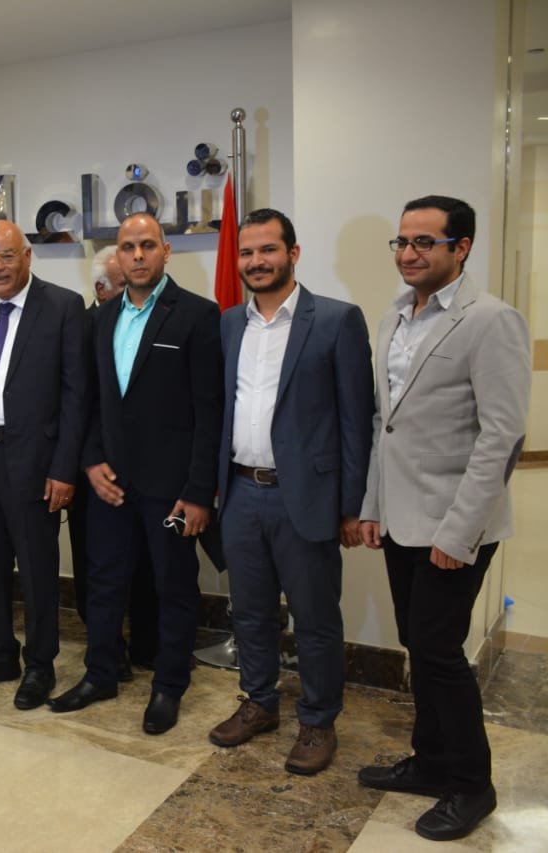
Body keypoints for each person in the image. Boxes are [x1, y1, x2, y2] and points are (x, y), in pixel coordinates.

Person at [357, 195, 530, 842]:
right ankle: (430, 761)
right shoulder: (394, 316)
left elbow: (502, 436)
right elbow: (386, 423)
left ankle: (471, 783)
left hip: (456, 524)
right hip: (401, 517)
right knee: (419, 644)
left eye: (424, 242)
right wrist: (372, 506)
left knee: (438, 650)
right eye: (402, 241)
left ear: (461, 248)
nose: (408, 253)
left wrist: (459, 533)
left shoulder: (491, 320)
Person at [206, 209, 373, 774]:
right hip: (240, 493)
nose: (256, 261)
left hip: (304, 498)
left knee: (315, 620)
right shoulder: (231, 323)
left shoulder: (336, 320)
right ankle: (259, 702)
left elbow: (356, 422)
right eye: (247, 252)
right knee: (250, 613)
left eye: (268, 250)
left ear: (293, 254)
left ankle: (318, 721)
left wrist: (352, 507)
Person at [51, 213, 222, 733]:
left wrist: (199, 492)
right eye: (128, 247)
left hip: (171, 491)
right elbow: (88, 402)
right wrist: (89, 461)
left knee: (173, 586)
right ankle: (101, 673)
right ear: (118, 257)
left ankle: (168, 686)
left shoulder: (197, 315)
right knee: (102, 582)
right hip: (110, 486)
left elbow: (209, 411)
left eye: (148, 245)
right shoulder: (100, 319)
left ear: (166, 251)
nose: (138, 255)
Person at [0, 220, 88, 710]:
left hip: (34, 462)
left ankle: (40, 665)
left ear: (27, 256)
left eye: (6, 256)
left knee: (37, 570)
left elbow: (76, 396)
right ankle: (0, 655)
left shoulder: (64, 307)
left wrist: (65, 469)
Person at [66, 246, 159, 678]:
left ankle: (146, 644)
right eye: (122, 284)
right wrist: (88, 462)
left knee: (146, 566)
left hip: (145, 475)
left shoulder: (155, 318)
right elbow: (75, 403)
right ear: (101, 289)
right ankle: (106, 650)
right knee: (95, 569)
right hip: (93, 475)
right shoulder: (81, 326)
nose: (134, 288)